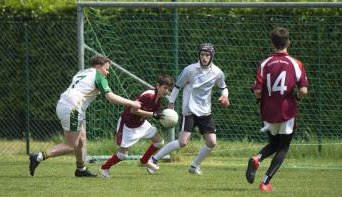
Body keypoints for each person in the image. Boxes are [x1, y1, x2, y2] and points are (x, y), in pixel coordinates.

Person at [29, 55, 141, 177]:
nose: (107, 73)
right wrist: (132, 103)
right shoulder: (98, 76)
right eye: (106, 69)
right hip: (73, 109)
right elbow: (111, 97)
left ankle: (81, 169)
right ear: (98, 67)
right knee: (70, 145)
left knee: (81, 138)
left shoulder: (82, 72)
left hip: (64, 104)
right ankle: (38, 157)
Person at [150, 43, 230, 175]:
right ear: (199, 55)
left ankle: (194, 167)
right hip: (190, 111)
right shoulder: (190, 70)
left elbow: (223, 87)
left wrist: (225, 96)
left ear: (212, 56)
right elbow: (177, 86)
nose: (204, 57)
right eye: (202, 54)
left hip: (206, 112)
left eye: (207, 55)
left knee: (211, 142)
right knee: (183, 142)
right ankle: (154, 159)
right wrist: (171, 103)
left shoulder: (217, 72)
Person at [246, 27, 308, 191]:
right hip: (287, 111)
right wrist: (295, 99)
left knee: (273, 144)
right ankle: (265, 182)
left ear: (272, 43)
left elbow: (258, 91)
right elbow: (303, 91)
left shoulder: (264, 63)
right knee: (282, 148)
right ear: (288, 42)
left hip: (267, 111)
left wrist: (259, 100)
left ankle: (257, 158)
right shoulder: (296, 64)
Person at [98, 75, 174, 178]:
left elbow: (151, 113)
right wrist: (153, 115)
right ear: (157, 86)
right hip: (128, 125)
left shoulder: (158, 99)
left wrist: (166, 114)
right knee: (122, 155)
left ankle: (144, 161)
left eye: (169, 89)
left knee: (159, 142)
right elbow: (133, 110)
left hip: (141, 123)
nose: (166, 91)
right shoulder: (149, 96)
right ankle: (104, 168)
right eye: (165, 88)